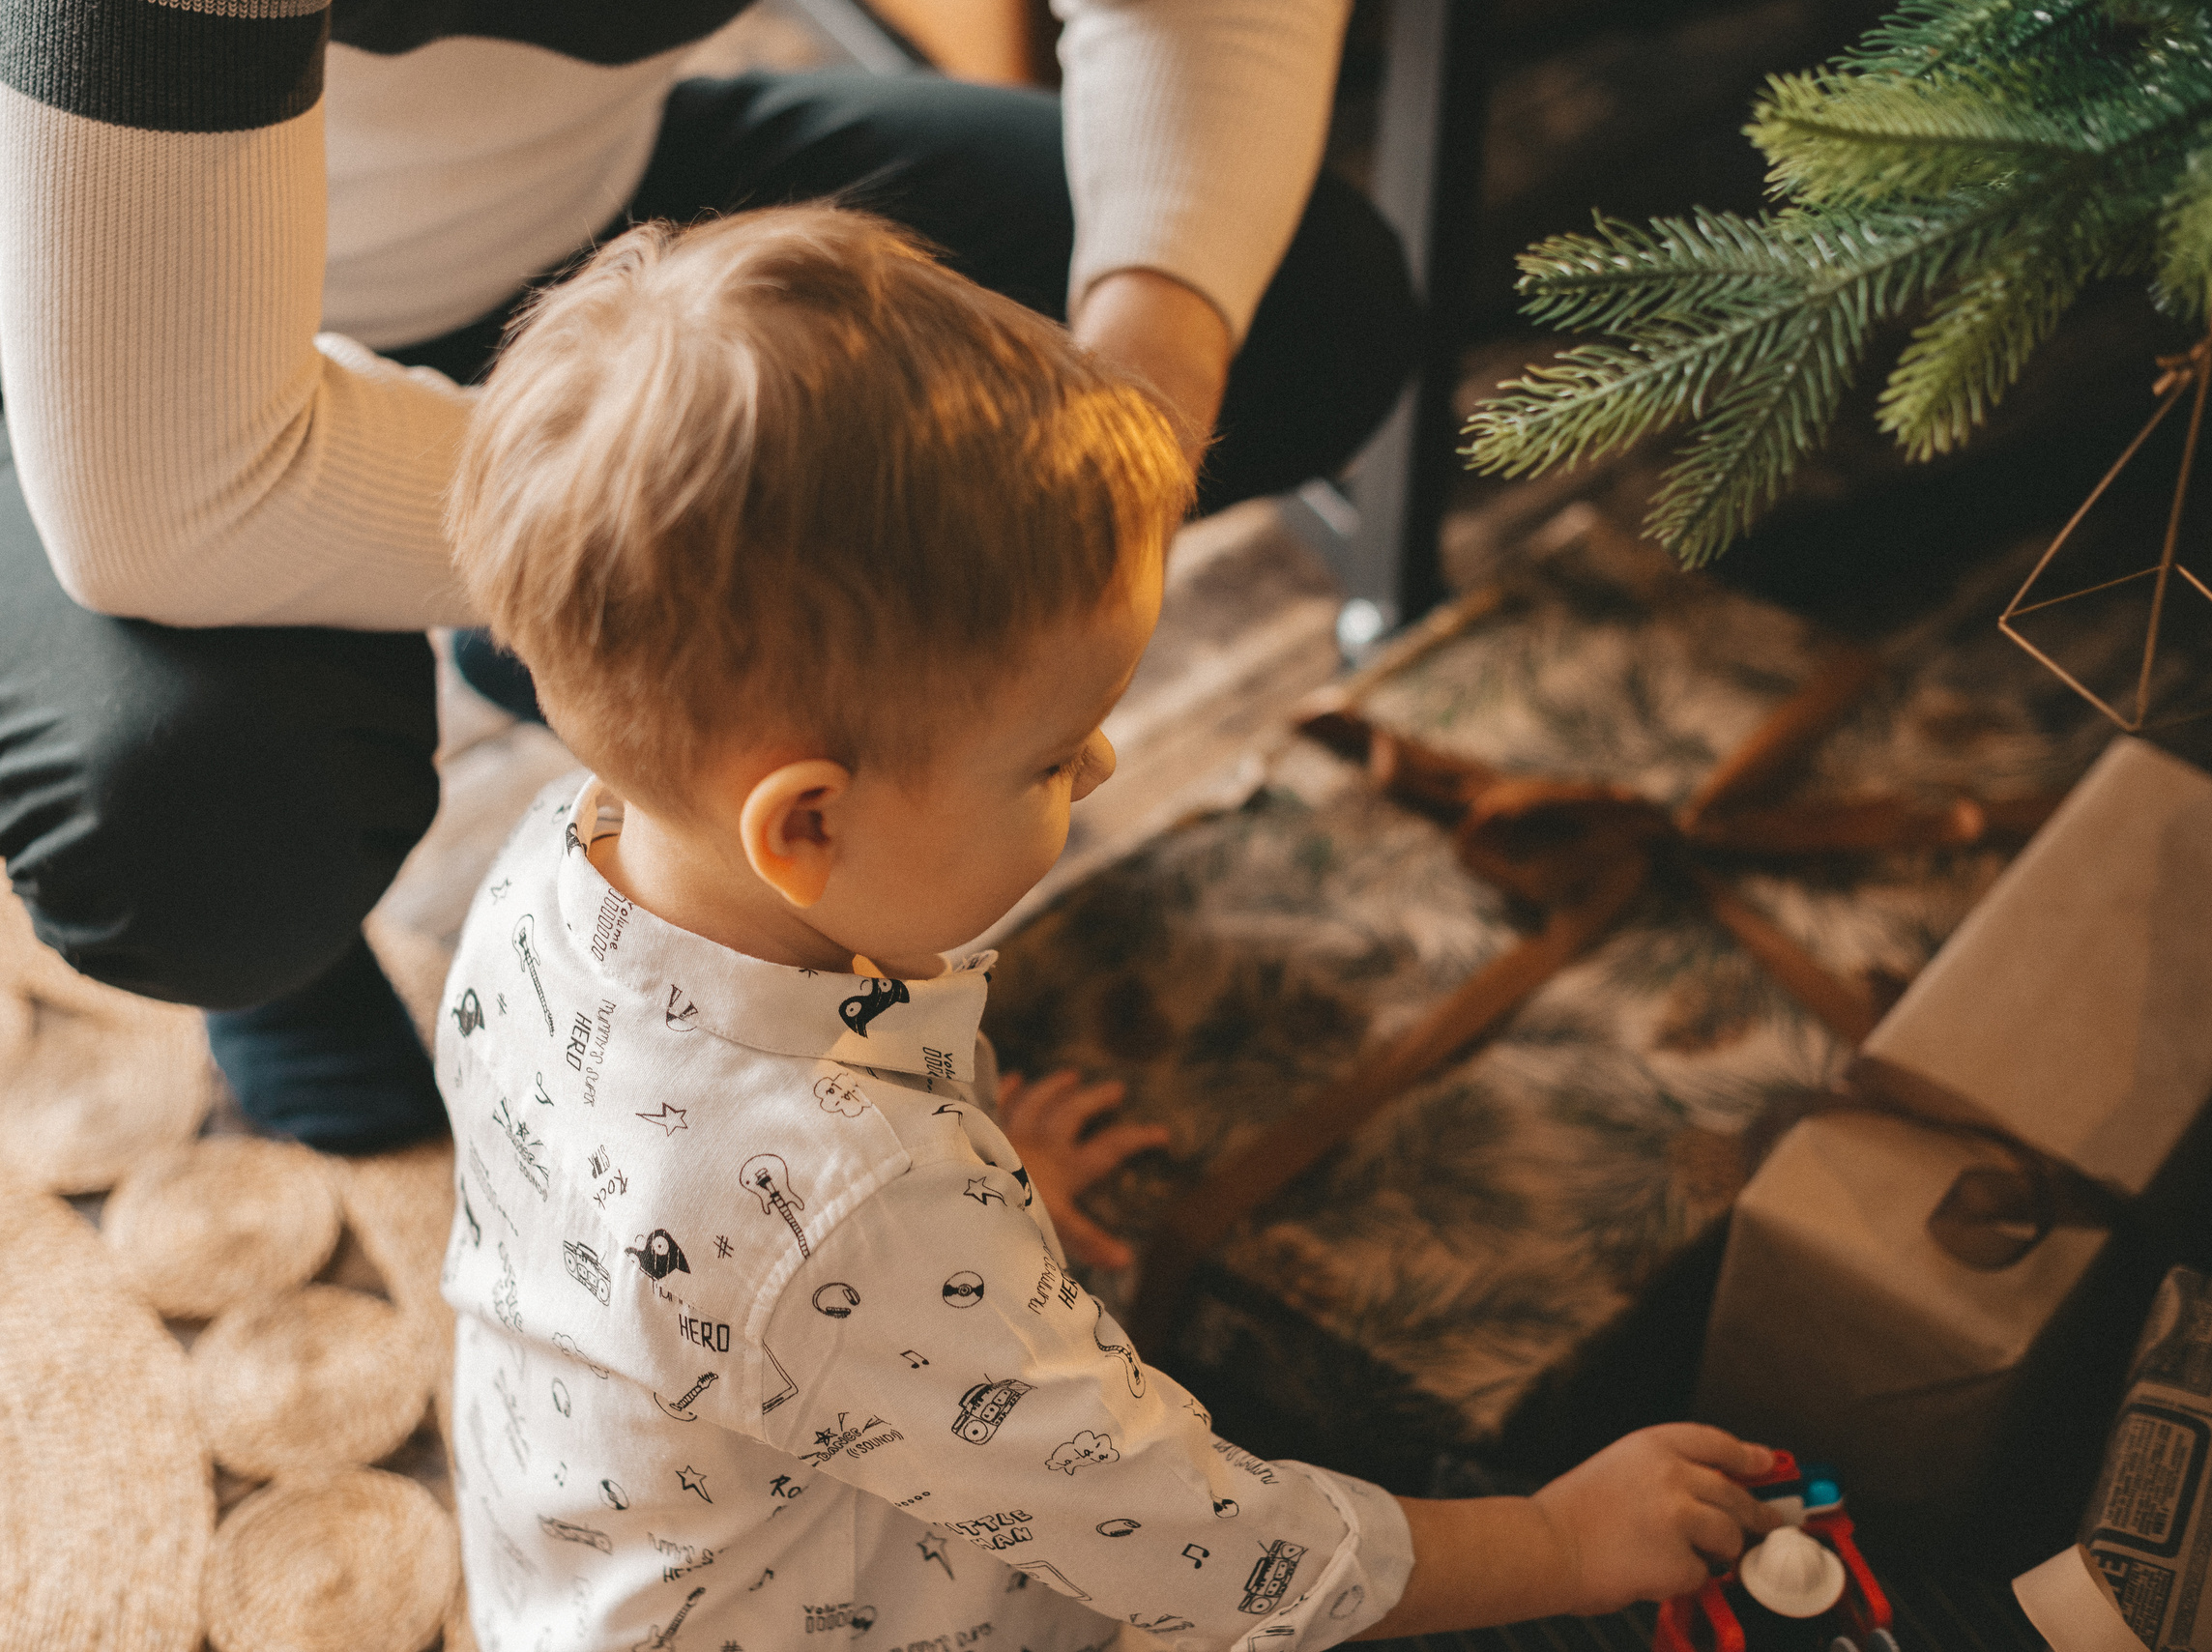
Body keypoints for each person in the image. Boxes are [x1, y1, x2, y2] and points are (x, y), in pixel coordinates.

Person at [432, 204, 1780, 1652]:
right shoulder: (848, 1214)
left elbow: (735, 1270)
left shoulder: (552, 864)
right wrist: (1558, 1538)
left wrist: (953, 1271)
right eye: (1051, 754)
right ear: (806, 827)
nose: (1105, 767)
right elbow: (1201, 1551)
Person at [0, 0, 1414, 1153]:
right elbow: (166, 494)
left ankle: (584, 656)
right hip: (66, 323)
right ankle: (294, 941)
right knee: (203, 816)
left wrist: (1144, 384)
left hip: (576, 232)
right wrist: (731, 568)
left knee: (1304, 305)